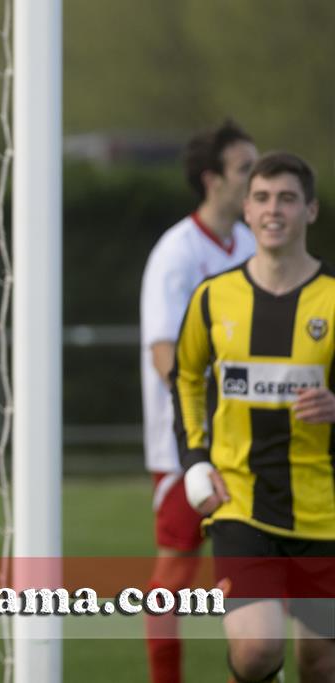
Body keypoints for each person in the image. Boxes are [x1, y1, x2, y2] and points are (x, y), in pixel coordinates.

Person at [173, 152, 335, 683]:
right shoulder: (213, 297)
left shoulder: (332, 301)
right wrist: (195, 458)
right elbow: (186, 377)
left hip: (325, 511)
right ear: (245, 209)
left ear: (310, 210)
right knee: (257, 650)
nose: (273, 210)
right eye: (262, 198)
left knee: (321, 662)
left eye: (287, 198)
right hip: (240, 503)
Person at [138, 119, 257, 683]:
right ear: (213, 180)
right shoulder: (177, 254)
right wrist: (200, 435)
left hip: (256, 443)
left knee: (260, 577)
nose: (256, 181)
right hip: (190, 448)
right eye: (245, 170)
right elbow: (166, 354)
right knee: (175, 581)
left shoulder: (254, 245)